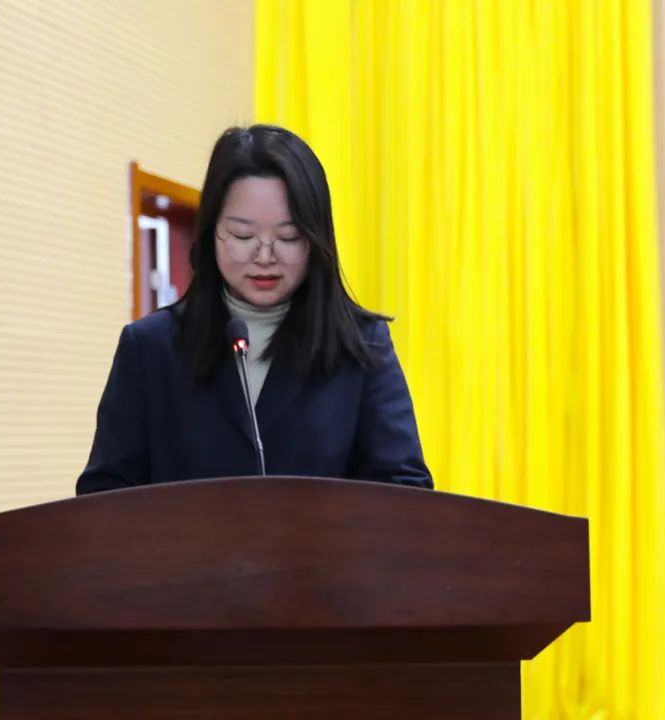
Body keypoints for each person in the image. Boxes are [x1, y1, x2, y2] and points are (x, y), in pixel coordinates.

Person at [76, 125, 431, 494]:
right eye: (243, 236)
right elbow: (104, 497)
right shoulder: (150, 348)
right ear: (211, 231)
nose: (264, 256)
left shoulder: (362, 346)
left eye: (289, 237)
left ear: (317, 239)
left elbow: (406, 492)